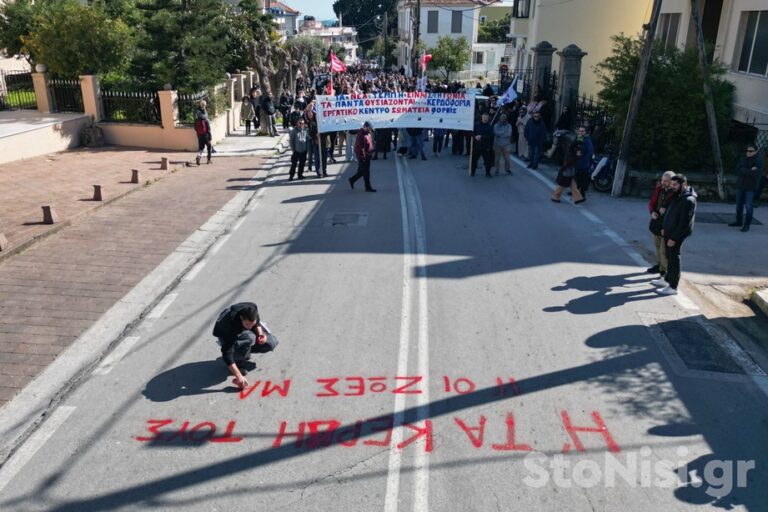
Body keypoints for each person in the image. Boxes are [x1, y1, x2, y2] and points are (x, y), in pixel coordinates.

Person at [212, 302, 277, 390]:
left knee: (271, 343)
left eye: (252, 325)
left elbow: (257, 322)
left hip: (240, 328)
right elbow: (226, 353)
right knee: (250, 337)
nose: (250, 328)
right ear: (241, 318)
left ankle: (243, 350)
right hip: (226, 335)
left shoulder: (252, 308)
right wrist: (238, 376)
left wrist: (261, 334)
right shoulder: (229, 325)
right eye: (247, 324)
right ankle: (238, 361)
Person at [655, 174, 697, 296]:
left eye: (675, 185)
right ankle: (666, 280)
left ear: (683, 185)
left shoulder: (688, 200)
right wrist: (664, 228)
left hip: (676, 235)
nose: (672, 187)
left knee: (674, 259)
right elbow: (670, 213)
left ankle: (673, 286)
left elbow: (684, 223)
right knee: (669, 256)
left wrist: (674, 238)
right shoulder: (677, 195)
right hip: (669, 232)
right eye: (671, 184)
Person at [646, 170, 677, 279]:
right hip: (657, 223)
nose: (663, 183)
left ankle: (664, 270)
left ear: (672, 181)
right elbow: (651, 202)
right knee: (657, 246)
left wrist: (667, 210)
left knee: (664, 250)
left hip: (667, 226)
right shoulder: (659, 189)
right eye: (662, 180)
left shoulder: (675, 193)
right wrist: (652, 212)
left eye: (666, 181)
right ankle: (660, 266)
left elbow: (677, 210)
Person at [729, 145, 764, 232]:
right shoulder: (743, 159)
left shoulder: (759, 161)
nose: (748, 152)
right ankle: (739, 221)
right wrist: (749, 170)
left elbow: (756, 174)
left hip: (751, 187)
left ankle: (747, 225)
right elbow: (737, 170)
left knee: (748, 206)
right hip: (740, 186)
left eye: (751, 151)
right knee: (739, 205)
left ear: (756, 151)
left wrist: (744, 170)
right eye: (747, 150)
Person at [349, 121, 376, 192]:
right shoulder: (361, 135)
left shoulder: (367, 133)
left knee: (361, 172)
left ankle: (352, 180)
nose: (370, 129)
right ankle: (368, 188)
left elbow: (369, 142)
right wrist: (363, 157)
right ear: (365, 127)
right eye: (369, 128)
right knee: (366, 173)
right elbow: (359, 148)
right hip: (363, 157)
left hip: (367, 155)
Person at [573, 125, 594, 199]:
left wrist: (582, 153)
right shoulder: (579, 138)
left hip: (584, 162)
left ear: (585, 132)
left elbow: (590, 151)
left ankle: (582, 195)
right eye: (580, 131)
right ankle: (576, 192)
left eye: (582, 131)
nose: (581, 132)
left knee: (582, 180)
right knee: (577, 178)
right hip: (578, 162)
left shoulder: (587, 140)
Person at [193, 100, 212, 166]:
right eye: (203, 105)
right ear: (201, 105)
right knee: (209, 146)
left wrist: (198, 132)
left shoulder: (196, 112)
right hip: (206, 134)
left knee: (201, 148)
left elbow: (195, 125)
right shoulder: (204, 113)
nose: (204, 106)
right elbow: (208, 127)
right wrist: (210, 136)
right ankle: (209, 159)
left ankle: (198, 157)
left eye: (204, 105)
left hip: (199, 134)